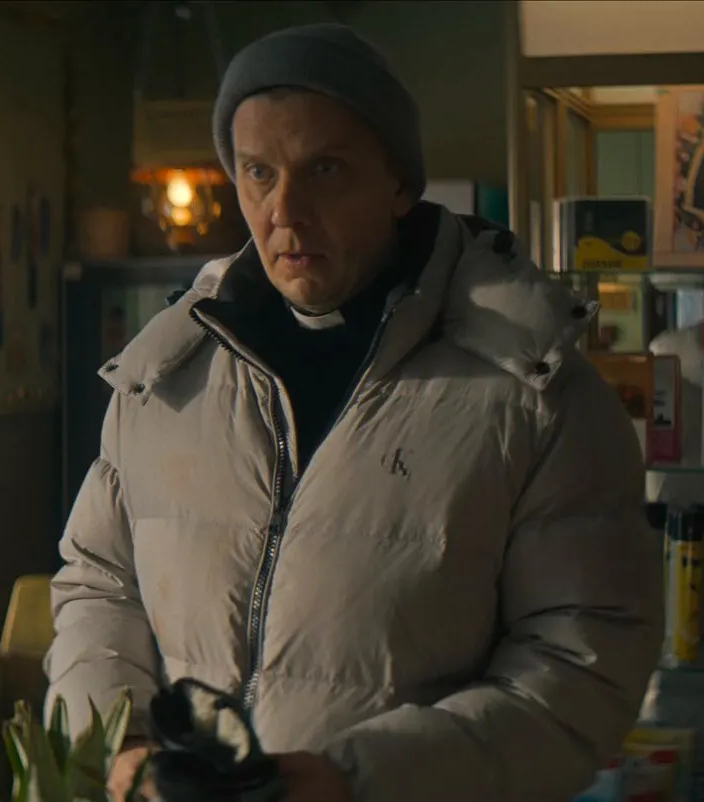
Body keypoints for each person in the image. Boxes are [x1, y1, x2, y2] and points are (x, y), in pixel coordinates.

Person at [44, 23, 661, 802]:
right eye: (258, 172)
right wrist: (119, 743)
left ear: (399, 183)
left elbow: (579, 670)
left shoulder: (534, 394)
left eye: (325, 169)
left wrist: (356, 780)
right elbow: (99, 585)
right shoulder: (163, 380)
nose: (285, 210)